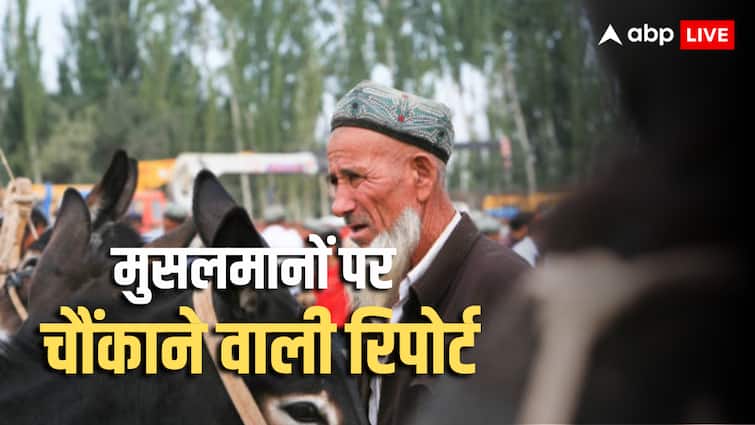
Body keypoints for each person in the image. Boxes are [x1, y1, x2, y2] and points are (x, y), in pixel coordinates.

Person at [327, 80, 529, 425]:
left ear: (421, 176)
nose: (339, 205)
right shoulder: (375, 293)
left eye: (356, 178)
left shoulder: (505, 291)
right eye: (335, 182)